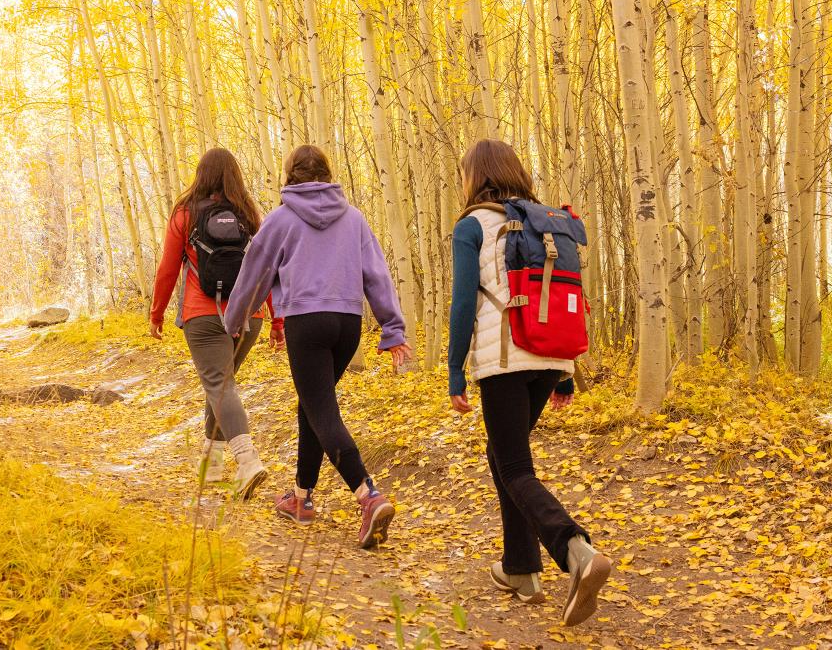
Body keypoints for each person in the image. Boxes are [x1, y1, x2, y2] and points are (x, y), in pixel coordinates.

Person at [447, 139, 611, 627]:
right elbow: (567, 294)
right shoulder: (545, 222)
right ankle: (520, 569)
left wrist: (455, 368)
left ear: (474, 177)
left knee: (515, 467)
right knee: (504, 456)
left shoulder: (471, 225)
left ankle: (576, 550)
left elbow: (461, 304)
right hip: (551, 354)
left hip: (504, 360)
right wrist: (565, 374)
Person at [223, 144, 412, 549]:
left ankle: (368, 494)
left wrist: (234, 321)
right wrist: (392, 328)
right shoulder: (354, 219)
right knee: (312, 404)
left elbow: (253, 271)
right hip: (347, 324)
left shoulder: (281, 219)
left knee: (323, 412)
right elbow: (377, 274)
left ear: (290, 175)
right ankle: (301, 497)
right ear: (327, 174)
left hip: (307, 322)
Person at [149, 147, 280, 501]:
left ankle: (248, 461)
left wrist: (156, 313)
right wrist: (276, 319)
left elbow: (166, 269)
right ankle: (213, 465)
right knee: (220, 386)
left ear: (200, 175)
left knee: (220, 387)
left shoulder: (185, 213)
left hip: (202, 315)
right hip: (248, 317)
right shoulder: (250, 213)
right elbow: (267, 268)